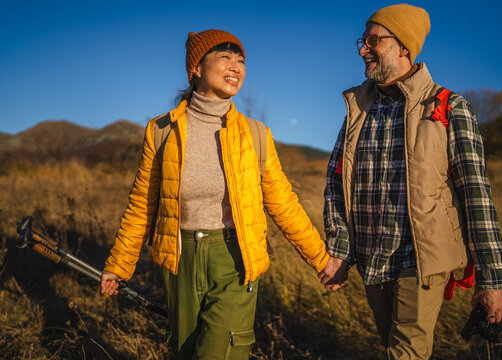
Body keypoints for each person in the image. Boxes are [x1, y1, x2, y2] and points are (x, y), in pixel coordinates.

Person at [100, 29, 333, 359]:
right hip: (179, 258)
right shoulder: (161, 130)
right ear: (196, 68)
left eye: (241, 60)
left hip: (234, 258)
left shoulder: (255, 134)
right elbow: (142, 204)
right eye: (225, 57)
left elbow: (283, 202)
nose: (236, 66)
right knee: (186, 351)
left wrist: (321, 259)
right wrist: (119, 264)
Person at [318, 4, 502, 359]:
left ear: (403, 47)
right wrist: (341, 248)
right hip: (371, 261)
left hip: (420, 262)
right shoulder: (357, 110)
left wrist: (492, 278)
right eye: (363, 41)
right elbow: (335, 182)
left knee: (405, 354)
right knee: (391, 346)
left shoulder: (448, 107)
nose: (363, 49)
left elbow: (476, 195)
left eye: (373, 41)